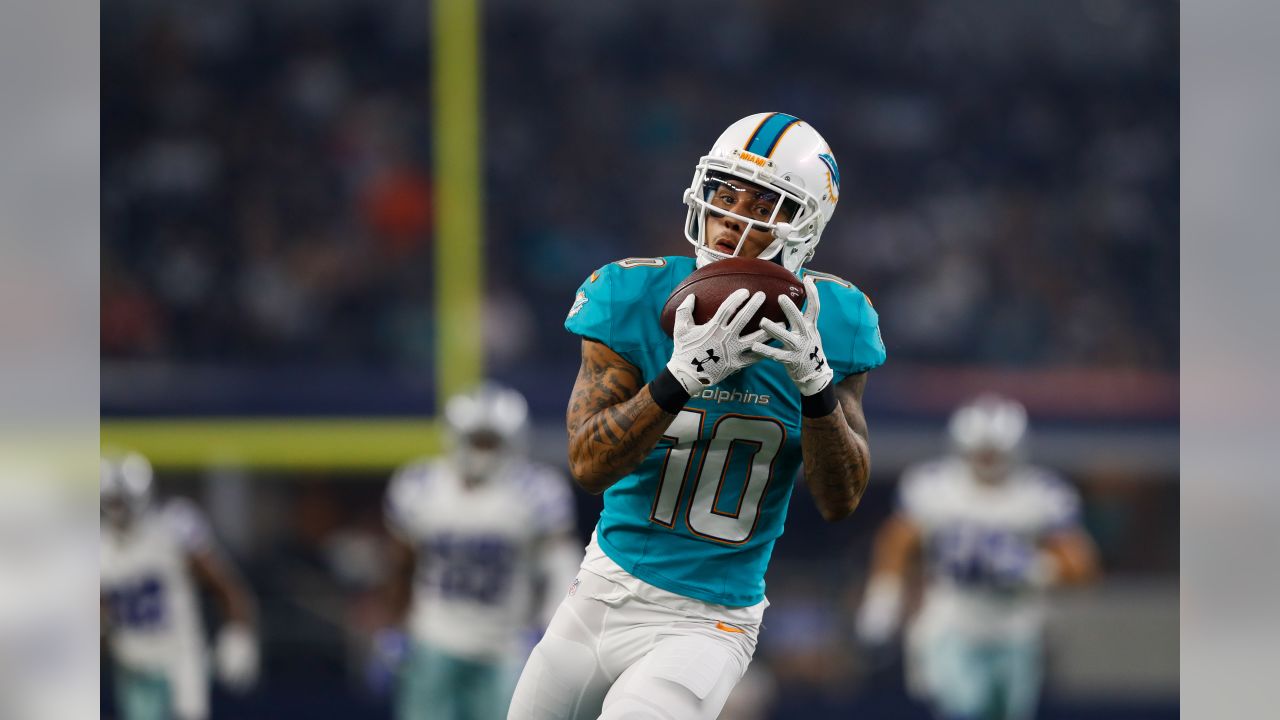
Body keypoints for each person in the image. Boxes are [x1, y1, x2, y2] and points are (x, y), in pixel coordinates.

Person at [508, 112, 886, 720]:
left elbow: (839, 498)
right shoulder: (630, 297)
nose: (735, 217)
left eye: (765, 204)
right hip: (599, 592)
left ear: (806, 226)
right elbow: (586, 463)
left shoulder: (837, 322)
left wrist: (814, 386)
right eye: (725, 194)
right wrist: (679, 378)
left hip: (709, 621)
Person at [854, 394, 1100, 720]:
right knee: (963, 709)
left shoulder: (1040, 494)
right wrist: (883, 597)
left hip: (1017, 626)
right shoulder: (935, 487)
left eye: (994, 452)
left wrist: (1036, 569)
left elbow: (1082, 566)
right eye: (981, 452)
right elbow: (897, 541)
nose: (987, 459)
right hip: (952, 618)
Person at [381, 383, 582, 720]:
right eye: (477, 440)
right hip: (434, 636)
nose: (483, 451)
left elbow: (561, 570)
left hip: (504, 643)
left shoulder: (536, 492)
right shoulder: (420, 486)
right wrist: (392, 628)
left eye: (492, 441)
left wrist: (549, 629)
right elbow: (401, 565)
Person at [100, 451, 259, 720]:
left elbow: (225, 585)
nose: (117, 510)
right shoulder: (99, 544)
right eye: (111, 502)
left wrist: (239, 633)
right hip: (131, 666)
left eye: (121, 501)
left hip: (178, 660)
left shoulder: (172, 526)